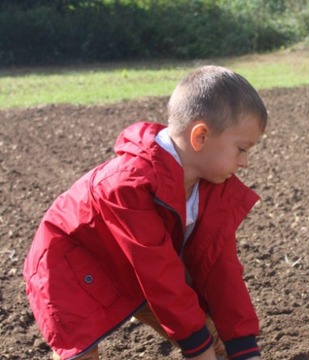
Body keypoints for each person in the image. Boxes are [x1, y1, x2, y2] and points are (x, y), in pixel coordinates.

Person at [23, 65, 267, 360]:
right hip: (69, 264)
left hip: (138, 268)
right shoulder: (127, 186)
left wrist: (243, 346)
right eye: (241, 148)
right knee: (83, 353)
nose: (245, 163)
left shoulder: (211, 186)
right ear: (200, 137)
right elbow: (160, 276)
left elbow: (221, 268)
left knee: (215, 340)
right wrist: (198, 351)